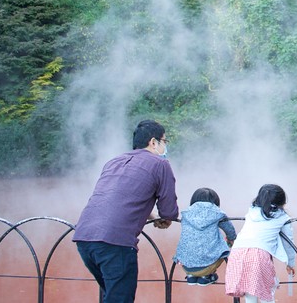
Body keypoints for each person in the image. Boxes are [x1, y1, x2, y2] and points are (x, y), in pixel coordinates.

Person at [73, 119, 179, 303]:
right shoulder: (160, 164)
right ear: (153, 142)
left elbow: (120, 196)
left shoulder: (114, 161)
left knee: (112, 296)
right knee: (120, 299)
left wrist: (150, 215)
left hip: (85, 238)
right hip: (115, 242)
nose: (164, 147)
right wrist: (165, 219)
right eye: (164, 141)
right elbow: (169, 211)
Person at [225, 184, 296, 303]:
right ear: (281, 202)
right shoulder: (282, 217)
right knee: (266, 292)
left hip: (237, 253)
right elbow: (288, 243)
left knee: (250, 291)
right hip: (258, 255)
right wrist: (290, 263)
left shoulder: (252, 211)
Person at [174, 187, 237, 286]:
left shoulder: (186, 214)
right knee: (225, 248)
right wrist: (231, 240)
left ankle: (191, 276)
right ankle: (206, 276)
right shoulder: (217, 213)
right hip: (207, 266)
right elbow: (230, 230)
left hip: (185, 264)